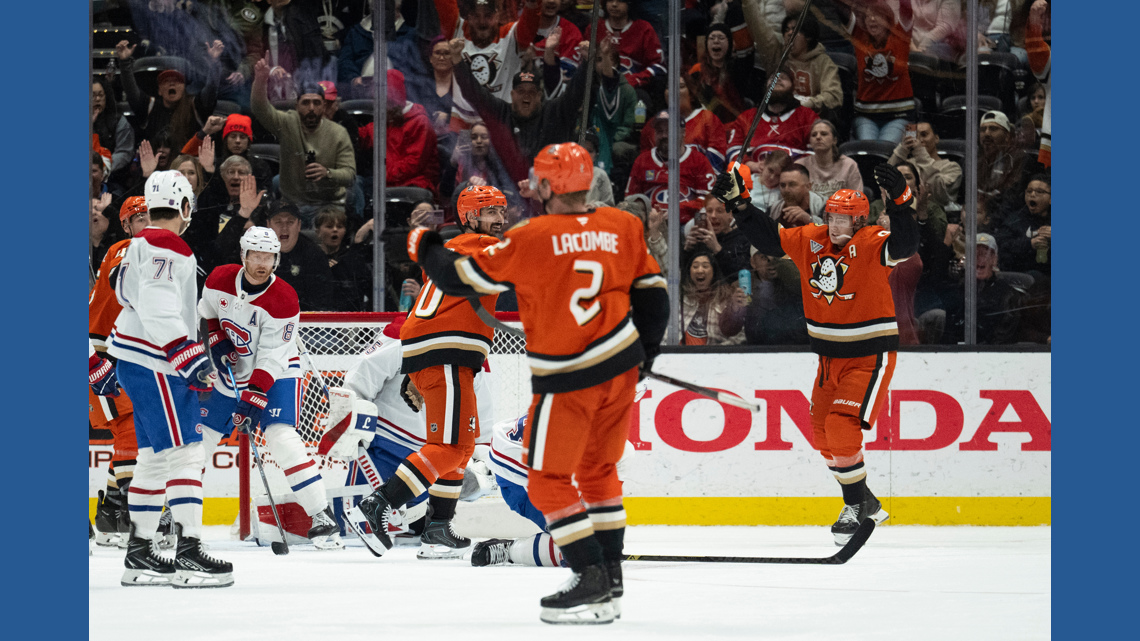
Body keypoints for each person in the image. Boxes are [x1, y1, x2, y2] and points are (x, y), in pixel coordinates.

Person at [405, 143, 670, 624]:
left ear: (547, 186)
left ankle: (589, 574)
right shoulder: (624, 225)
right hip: (621, 372)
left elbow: (459, 278)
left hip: (569, 377)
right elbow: (654, 298)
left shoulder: (534, 235)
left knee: (547, 482)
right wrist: (647, 357)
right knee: (600, 475)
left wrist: (423, 245)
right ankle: (611, 581)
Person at [713, 161, 919, 546]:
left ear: (860, 223)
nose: (838, 226)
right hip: (828, 359)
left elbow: (906, 245)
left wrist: (902, 202)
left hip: (869, 356)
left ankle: (853, 507)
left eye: (846, 221)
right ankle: (865, 499)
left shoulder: (873, 243)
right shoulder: (813, 238)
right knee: (822, 435)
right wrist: (740, 205)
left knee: (842, 429)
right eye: (834, 218)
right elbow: (772, 241)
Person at [348, 185, 509, 561]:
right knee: (450, 448)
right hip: (444, 351)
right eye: (490, 213)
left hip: (441, 350)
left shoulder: (460, 248)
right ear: (470, 218)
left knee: (462, 448)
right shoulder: (478, 247)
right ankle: (375, 508)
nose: (499, 220)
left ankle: (437, 528)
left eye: (502, 211)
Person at [107, 170, 233, 588]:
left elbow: (123, 291)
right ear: (183, 207)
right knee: (186, 452)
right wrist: (189, 356)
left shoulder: (138, 243)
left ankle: (140, 553)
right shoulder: (168, 243)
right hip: (156, 361)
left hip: (134, 358)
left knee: (153, 458)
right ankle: (188, 552)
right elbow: (160, 308)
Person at [197, 226, 342, 550]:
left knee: (280, 436)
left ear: (276, 259)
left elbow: (273, 356)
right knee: (200, 439)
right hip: (232, 372)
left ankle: (321, 517)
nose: (262, 263)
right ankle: (174, 516)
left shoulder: (284, 299)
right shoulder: (219, 279)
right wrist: (218, 341)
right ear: (243, 255)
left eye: (268, 257)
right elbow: (206, 313)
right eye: (256, 255)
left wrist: (255, 392)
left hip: (277, 373)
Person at [332, 314, 499, 553]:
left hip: (431, 461)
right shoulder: (405, 331)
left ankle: (437, 526)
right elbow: (362, 376)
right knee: (352, 538)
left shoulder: (475, 344)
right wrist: (349, 420)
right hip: (384, 447)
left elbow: (479, 409)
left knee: (457, 452)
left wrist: (482, 458)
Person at [89, 197, 151, 548]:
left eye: (151, 217)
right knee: (129, 429)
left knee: (133, 427)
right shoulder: (127, 250)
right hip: (103, 354)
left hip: (119, 352)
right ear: (127, 226)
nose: (146, 224)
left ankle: (111, 515)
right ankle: (138, 519)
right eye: (138, 218)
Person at [251, 56, 357, 224]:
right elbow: (259, 108)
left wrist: (328, 173)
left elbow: (350, 175)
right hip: (292, 205)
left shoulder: (338, 133)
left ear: (324, 106)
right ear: (296, 105)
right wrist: (260, 80)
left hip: (328, 206)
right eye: (306, 103)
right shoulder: (288, 123)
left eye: (316, 103)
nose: (311, 109)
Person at [115, 40, 222, 152]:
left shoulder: (195, 106)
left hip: (188, 165)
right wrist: (124, 62)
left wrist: (215, 64)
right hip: (156, 166)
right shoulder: (150, 107)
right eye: (166, 81)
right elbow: (131, 91)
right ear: (159, 91)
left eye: (177, 81)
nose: (172, 83)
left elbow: (211, 88)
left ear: (184, 87)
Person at [743, 3, 843, 120]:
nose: (789, 33)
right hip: (777, 120)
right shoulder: (776, 54)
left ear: (808, 36)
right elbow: (757, 26)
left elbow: (834, 96)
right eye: (786, 30)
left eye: (795, 30)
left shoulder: (822, 62)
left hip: (808, 122)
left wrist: (807, 103)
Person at [840, 0, 918, 143]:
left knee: (884, 149)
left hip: (900, 115)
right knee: (869, 150)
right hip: (866, 115)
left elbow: (906, 9)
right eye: (868, 17)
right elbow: (842, 8)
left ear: (888, 20)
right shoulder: (860, 37)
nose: (872, 20)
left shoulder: (900, 36)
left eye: (878, 16)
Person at [626, 111, 718, 225]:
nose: (664, 135)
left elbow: (709, 201)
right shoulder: (642, 161)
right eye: (660, 131)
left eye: (669, 130)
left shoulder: (699, 161)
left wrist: (678, 210)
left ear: (683, 132)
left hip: (685, 224)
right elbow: (630, 200)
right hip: (651, 223)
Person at [944, 233, 1025, 345]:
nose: (979, 258)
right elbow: (948, 336)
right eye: (975, 253)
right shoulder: (957, 290)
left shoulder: (1008, 295)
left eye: (985, 253)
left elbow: (1004, 340)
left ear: (994, 259)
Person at [726, 65, 818, 163]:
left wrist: (794, 169)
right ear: (766, 85)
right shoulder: (747, 117)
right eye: (773, 77)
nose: (777, 79)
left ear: (793, 87)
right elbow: (733, 149)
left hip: (795, 174)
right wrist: (751, 165)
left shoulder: (807, 116)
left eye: (783, 78)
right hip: (754, 174)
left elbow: (817, 151)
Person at [639, 78, 728, 172]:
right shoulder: (652, 126)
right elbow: (646, 166)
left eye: (680, 87)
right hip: (662, 183)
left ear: (692, 94)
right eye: (669, 87)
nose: (673, 91)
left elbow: (715, 163)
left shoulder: (707, 119)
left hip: (697, 183)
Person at [265, 201, 338, 311]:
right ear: (268, 225)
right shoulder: (258, 252)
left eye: (290, 222)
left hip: (303, 322)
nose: (284, 228)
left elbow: (322, 302)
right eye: (278, 222)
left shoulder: (314, 255)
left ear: (299, 225)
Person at [687, 22, 762, 125]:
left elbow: (746, 50)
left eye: (721, 38)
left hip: (736, 128)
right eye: (712, 38)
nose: (716, 41)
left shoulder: (738, 69)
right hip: (704, 128)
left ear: (730, 43)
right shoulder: (697, 71)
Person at [887, 121, 962, 212]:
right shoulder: (907, 164)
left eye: (924, 135)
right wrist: (902, 149)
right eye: (916, 136)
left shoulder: (952, 167)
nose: (919, 140)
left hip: (936, 215)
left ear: (936, 138)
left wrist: (920, 152)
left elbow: (940, 194)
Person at [681, 250, 748, 345]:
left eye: (705, 266)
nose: (700, 270)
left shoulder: (727, 297)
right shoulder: (681, 295)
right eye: (695, 266)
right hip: (679, 356)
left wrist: (717, 353)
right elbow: (667, 264)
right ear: (689, 272)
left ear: (714, 272)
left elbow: (741, 335)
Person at [682, 194, 753, 284]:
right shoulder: (699, 239)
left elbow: (742, 276)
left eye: (720, 211)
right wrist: (687, 251)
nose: (713, 216)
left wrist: (717, 249)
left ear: (731, 215)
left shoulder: (743, 238)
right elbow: (684, 277)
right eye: (709, 211)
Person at [796, 119, 863, 201]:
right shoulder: (800, 165)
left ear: (834, 140)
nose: (818, 137)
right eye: (814, 135)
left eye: (824, 134)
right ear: (810, 141)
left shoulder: (849, 165)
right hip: (808, 213)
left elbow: (857, 201)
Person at [91, 76, 135, 178]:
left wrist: (102, 167)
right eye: (93, 95)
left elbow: (124, 152)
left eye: (100, 95)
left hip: (113, 178)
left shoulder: (119, 121)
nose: (97, 99)